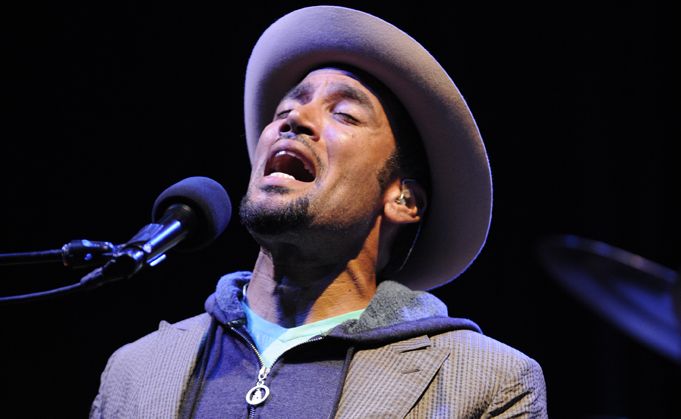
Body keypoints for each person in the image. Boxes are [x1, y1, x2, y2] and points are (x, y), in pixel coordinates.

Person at [90, 6, 547, 418]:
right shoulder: (135, 369)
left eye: (344, 115)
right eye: (286, 107)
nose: (295, 119)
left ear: (403, 200)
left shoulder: (486, 382)